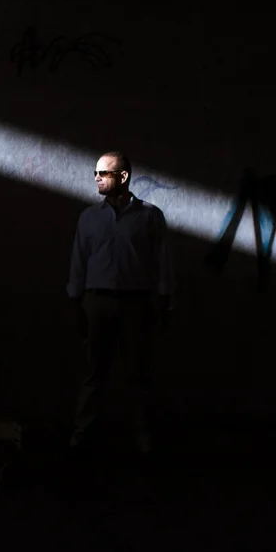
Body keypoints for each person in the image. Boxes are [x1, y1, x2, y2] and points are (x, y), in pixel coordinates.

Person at [66, 151, 174, 456]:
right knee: (94, 373)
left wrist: (164, 303)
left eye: (104, 173)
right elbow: (78, 262)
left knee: (138, 374)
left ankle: (143, 438)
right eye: (96, 173)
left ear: (123, 176)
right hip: (97, 302)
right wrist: (76, 304)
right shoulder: (89, 218)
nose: (97, 178)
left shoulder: (150, 216)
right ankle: (82, 435)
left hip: (136, 304)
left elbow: (162, 263)